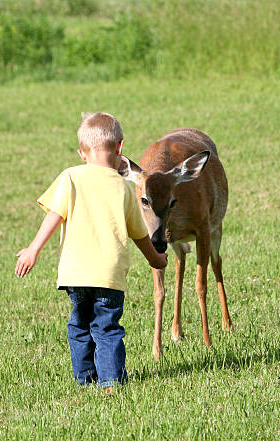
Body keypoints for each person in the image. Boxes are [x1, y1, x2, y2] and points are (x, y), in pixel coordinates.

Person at [15, 112, 168, 392]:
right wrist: (156, 258)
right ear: (120, 149)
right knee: (107, 328)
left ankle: (85, 380)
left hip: (75, 274)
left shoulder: (70, 177)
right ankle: (110, 381)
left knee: (79, 326)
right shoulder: (123, 189)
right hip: (108, 276)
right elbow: (140, 236)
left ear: (82, 154)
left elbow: (54, 215)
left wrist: (33, 249)